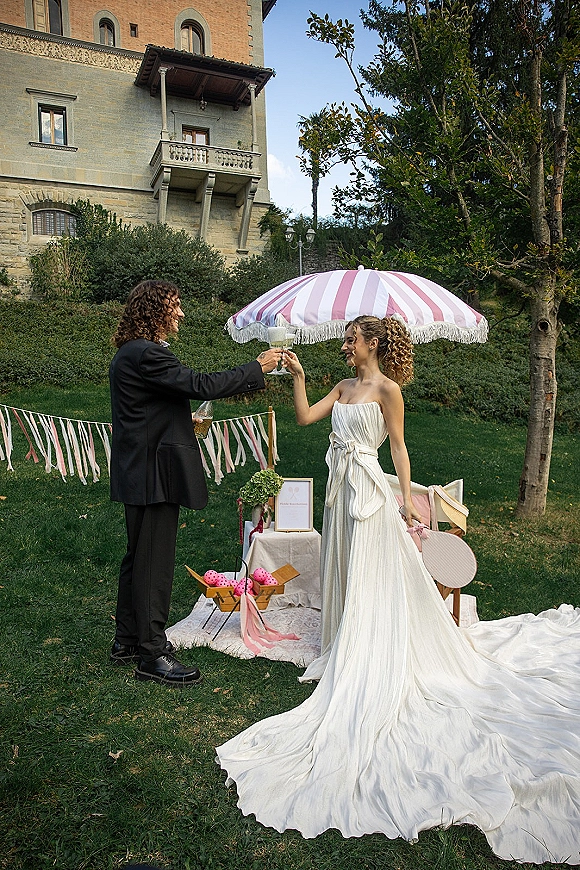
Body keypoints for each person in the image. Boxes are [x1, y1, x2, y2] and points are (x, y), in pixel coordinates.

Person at [216, 315, 580, 864]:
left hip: (370, 494)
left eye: (351, 338)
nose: (345, 344)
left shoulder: (390, 390)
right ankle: (340, 639)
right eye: (345, 339)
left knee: (369, 572)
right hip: (340, 491)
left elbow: (401, 450)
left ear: (373, 344)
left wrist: (408, 500)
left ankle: (368, 645)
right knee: (340, 565)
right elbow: (304, 416)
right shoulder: (340, 387)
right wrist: (296, 374)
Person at [109, 279, 281, 687]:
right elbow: (201, 385)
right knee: (154, 563)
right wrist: (257, 368)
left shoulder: (131, 353)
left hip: (140, 468)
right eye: (175, 306)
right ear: (155, 310)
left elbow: (147, 408)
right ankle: (152, 654)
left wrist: (179, 420)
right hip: (154, 473)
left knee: (138, 557)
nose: (181, 313)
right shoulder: (148, 353)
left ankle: (128, 640)